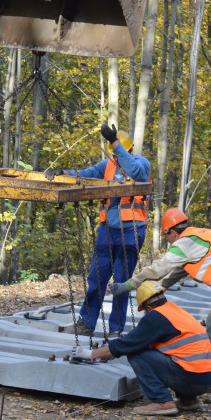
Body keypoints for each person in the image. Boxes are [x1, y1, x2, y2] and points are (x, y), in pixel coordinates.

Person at [109, 208, 211, 390]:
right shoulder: (199, 237)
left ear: (172, 232)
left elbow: (159, 268)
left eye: (167, 236)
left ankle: (208, 379)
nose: (169, 242)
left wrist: (128, 285)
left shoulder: (185, 243)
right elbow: (174, 275)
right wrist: (155, 290)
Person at [45, 123, 151, 337]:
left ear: (127, 149)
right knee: (96, 279)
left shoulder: (141, 163)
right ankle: (86, 323)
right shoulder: (108, 164)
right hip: (108, 231)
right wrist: (63, 173)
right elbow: (86, 174)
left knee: (121, 282)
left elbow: (135, 172)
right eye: (113, 153)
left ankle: (116, 329)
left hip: (131, 231)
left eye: (118, 151)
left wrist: (114, 142)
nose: (115, 157)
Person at [88, 280, 211, 415]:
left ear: (148, 308)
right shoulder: (175, 311)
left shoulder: (156, 316)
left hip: (191, 377)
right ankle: (188, 400)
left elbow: (127, 345)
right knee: (175, 354)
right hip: (207, 378)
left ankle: (162, 401)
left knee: (136, 353)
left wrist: (91, 354)